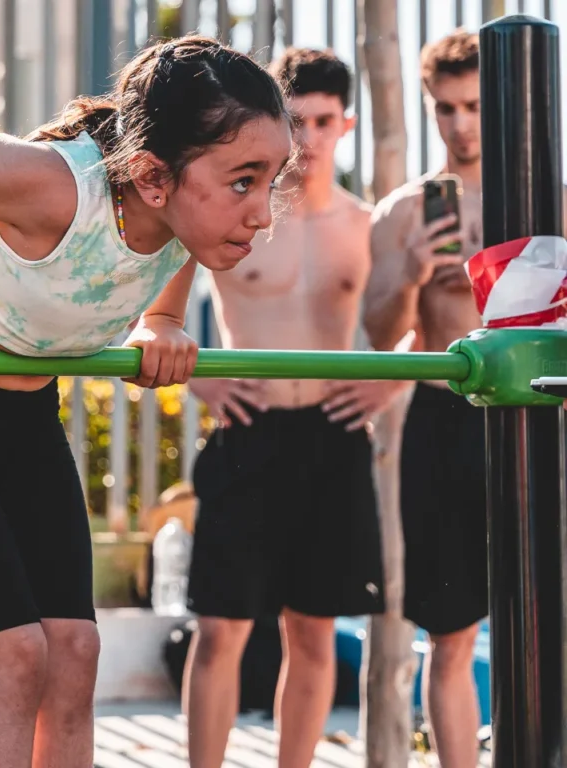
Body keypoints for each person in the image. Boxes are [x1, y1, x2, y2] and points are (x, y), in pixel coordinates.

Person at [0, 35, 293, 768]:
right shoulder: (56, 188)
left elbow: (170, 253)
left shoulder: (181, 216)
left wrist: (165, 324)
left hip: (22, 421)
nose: (263, 213)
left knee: (74, 653)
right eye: (244, 181)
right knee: (12, 659)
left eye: (271, 181)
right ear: (151, 175)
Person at [180, 47, 404, 768]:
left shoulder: (368, 225)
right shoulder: (230, 210)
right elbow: (144, 307)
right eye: (295, 120)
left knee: (313, 636)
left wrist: (390, 379)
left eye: (322, 121)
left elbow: (426, 318)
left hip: (333, 441)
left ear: (347, 123)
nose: (307, 138)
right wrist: (200, 380)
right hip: (248, 433)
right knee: (221, 632)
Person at [364, 30, 487, 768]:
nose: (462, 123)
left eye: (474, 105)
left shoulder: (547, 198)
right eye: (446, 109)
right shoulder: (405, 212)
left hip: (537, 411)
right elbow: (382, 332)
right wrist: (413, 273)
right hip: (445, 415)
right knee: (451, 634)